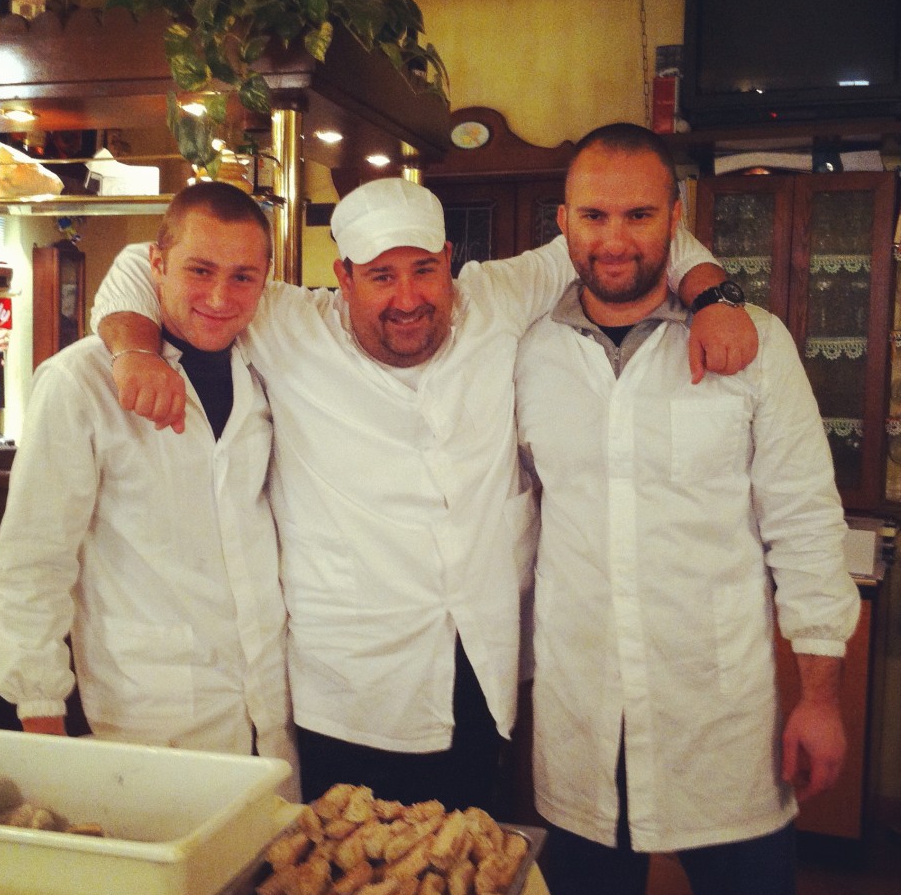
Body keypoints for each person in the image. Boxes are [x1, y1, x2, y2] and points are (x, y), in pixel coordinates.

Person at [90, 176, 757, 814]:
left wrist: (717, 298)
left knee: (467, 880)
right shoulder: (287, 322)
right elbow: (134, 263)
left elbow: (631, 241)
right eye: (380, 276)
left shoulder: (496, 295)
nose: (407, 298)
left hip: (481, 673)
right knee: (349, 891)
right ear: (344, 277)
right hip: (350, 689)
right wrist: (134, 351)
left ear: (448, 260)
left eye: (423, 271)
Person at [514, 123, 860, 895]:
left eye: (639, 213)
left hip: (721, 721)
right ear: (564, 222)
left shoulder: (756, 345)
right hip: (580, 716)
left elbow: (807, 525)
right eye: (594, 215)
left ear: (677, 217)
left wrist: (818, 697)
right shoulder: (526, 355)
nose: (615, 238)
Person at [0, 182, 298, 794]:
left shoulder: (264, 369)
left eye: (243, 278)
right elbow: (31, 564)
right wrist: (41, 718)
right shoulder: (80, 383)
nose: (218, 296)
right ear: (155, 265)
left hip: (272, 713)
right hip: (150, 718)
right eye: (198, 270)